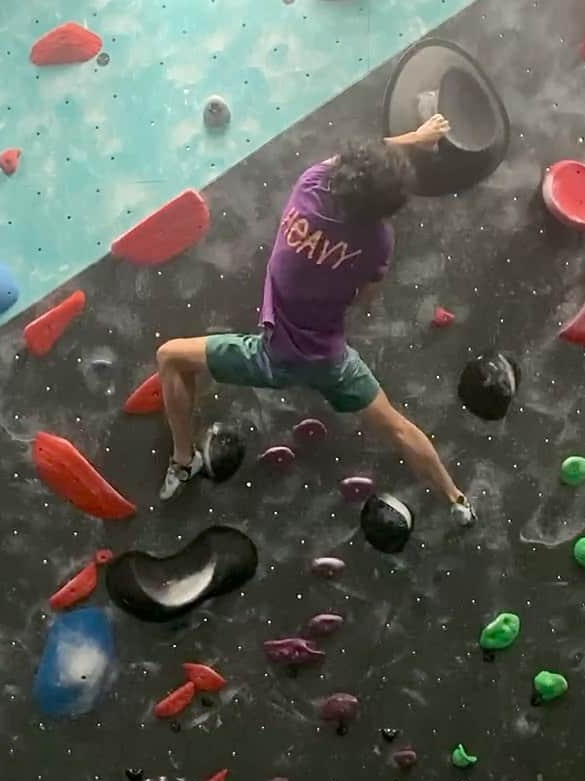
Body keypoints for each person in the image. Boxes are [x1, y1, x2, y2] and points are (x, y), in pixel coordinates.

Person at [155, 114, 475, 526]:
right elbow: (366, 297)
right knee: (396, 426)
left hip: (272, 356)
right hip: (329, 358)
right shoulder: (378, 241)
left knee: (170, 357)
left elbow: (362, 156)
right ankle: (457, 501)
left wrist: (415, 137)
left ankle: (184, 461)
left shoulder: (312, 181)